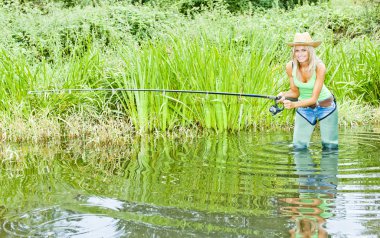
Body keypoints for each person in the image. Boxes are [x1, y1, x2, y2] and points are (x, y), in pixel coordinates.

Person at [277, 32, 338, 150]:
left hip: (326, 107)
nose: (300, 54)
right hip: (305, 108)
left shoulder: (319, 67)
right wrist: (283, 95)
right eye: (297, 50)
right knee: (299, 147)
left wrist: (294, 104)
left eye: (303, 50)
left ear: (310, 50)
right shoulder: (290, 66)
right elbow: (295, 92)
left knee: (330, 146)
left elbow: (314, 98)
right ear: (293, 52)